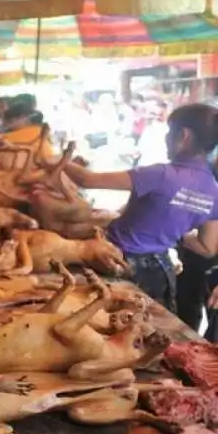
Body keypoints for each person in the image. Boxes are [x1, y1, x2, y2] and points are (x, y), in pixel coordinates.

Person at [59, 104, 218, 313]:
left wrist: (52, 159)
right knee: (147, 329)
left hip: (115, 262)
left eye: (170, 132)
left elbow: (87, 179)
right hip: (159, 272)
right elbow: (208, 248)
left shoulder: (159, 174)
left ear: (184, 136)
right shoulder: (213, 190)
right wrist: (172, 231)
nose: (166, 138)